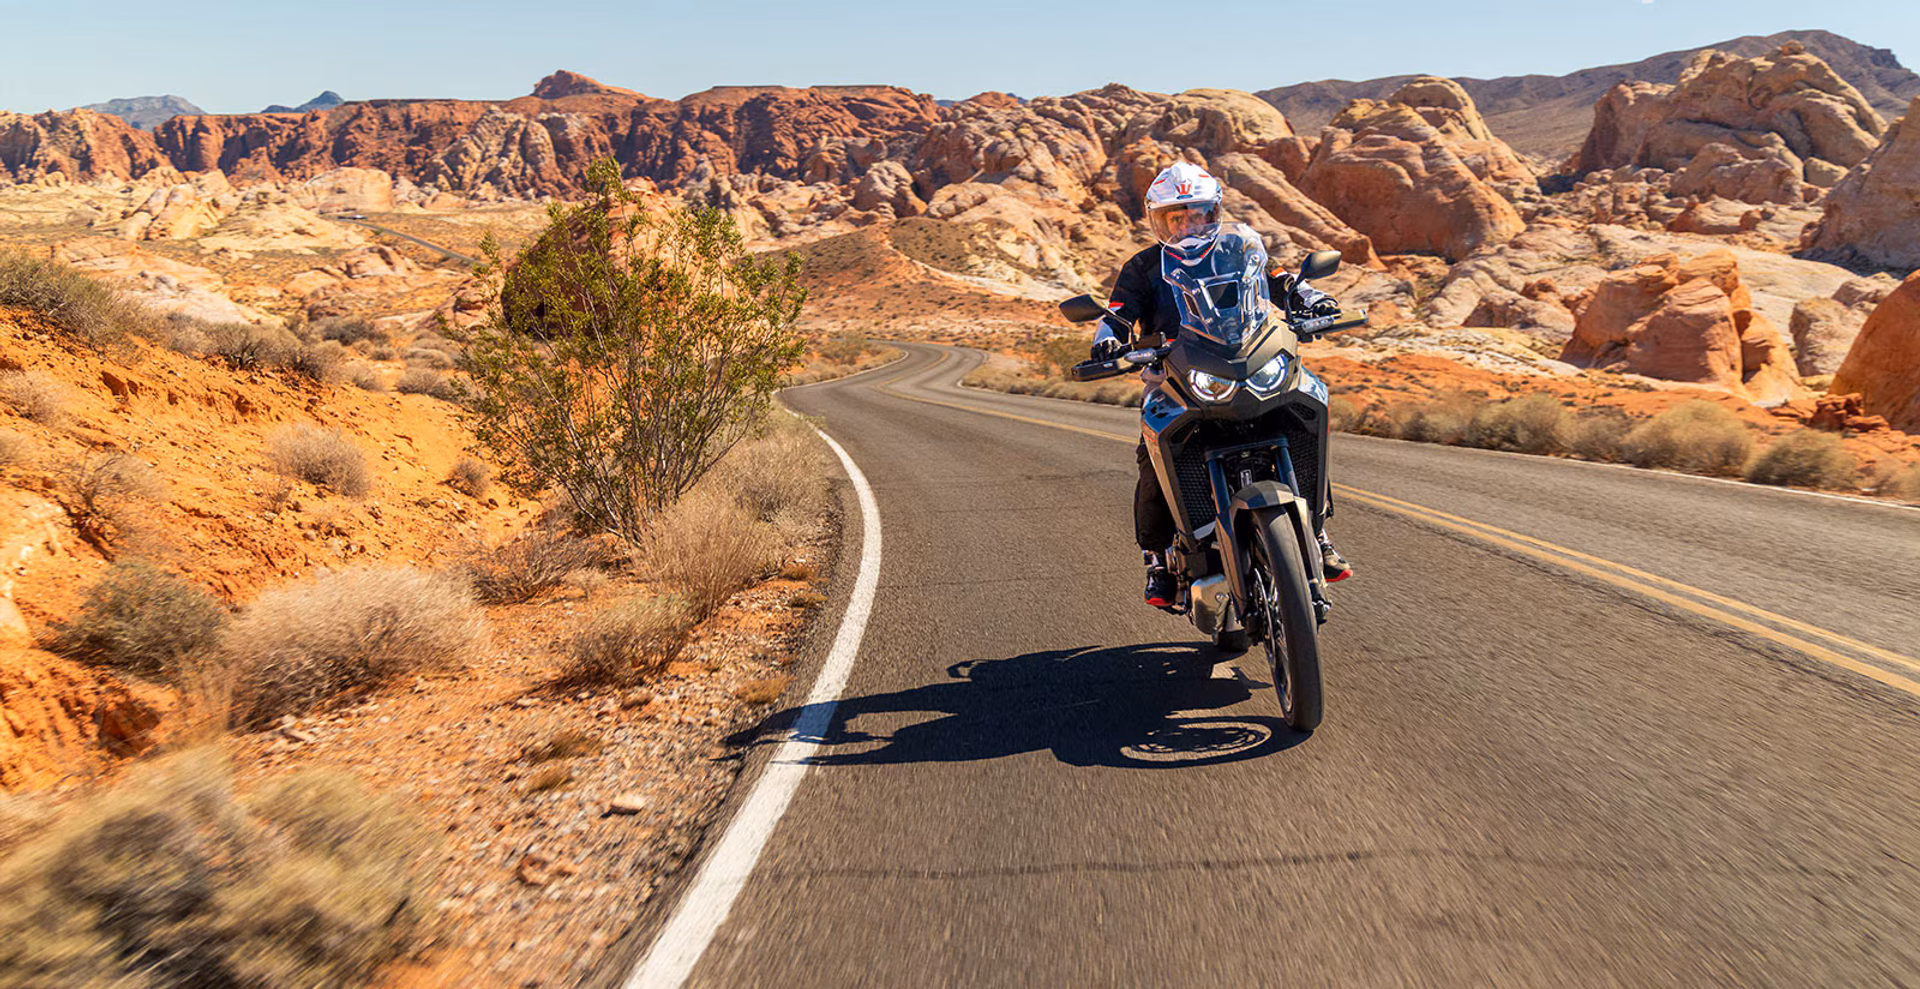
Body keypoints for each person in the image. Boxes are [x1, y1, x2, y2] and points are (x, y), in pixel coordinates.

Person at [1091, 161, 1352, 608]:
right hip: (1175, 376)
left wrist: (1313, 299)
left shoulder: (1240, 250)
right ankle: (1157, 559)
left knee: (1304, 416)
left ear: (1214, 213)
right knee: (1151, 456)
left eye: (1198, 214)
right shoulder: (1142, 267)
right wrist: (1108, 339)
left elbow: (1281, 281)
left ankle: (1317, 530)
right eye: (1176, 217)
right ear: (1159, 220)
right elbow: (1116, 313)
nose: (1188, 225)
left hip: (1247, 360)